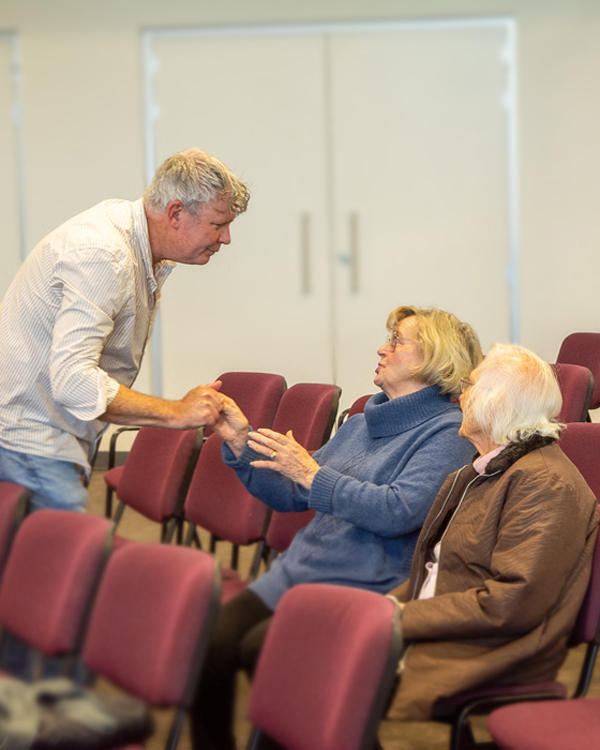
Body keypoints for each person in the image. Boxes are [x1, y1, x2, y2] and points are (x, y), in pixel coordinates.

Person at [191, 305, 483, 750]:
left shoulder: (446, 435)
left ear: (433, 360)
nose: (382, 348)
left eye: (398, 340)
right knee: (209, 646)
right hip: (301, 575)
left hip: (365, 586)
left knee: (269, 657)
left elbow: (398, 511)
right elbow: (291, 494)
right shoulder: (362, 422)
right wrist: (238, 441)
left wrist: (311, 474)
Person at [0, 148, 249, 512]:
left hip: (44, 434)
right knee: (65, 560)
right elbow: (72, 380)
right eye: (217, 224)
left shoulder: (129, 235)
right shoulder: (105, 254)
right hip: (29, 437)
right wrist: (177, 411)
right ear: (176, 213)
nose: (226, 238)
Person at [386, 343, 599, 721]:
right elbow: (435, 571)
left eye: (470, 386)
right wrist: (384, 608)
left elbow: (510, 603)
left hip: (488, 651)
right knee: (298, 653)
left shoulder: (545, 483)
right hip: (441, 632)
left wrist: (397, 618)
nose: (460, 395)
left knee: (312, 675)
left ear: (496, 404)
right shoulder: (479, 473)